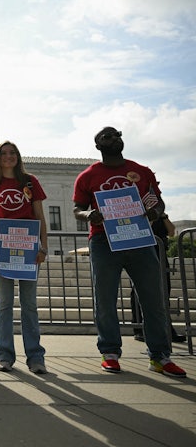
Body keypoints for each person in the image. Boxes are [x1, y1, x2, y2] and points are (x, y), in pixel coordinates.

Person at [73, 127, 186, 377]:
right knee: (105, 299)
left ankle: (160, 356)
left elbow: (155, 200)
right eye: (108, 136)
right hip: (104, 241)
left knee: (154, 300)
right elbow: (77, 209)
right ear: (98, 145)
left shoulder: (141, 171)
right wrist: (88, 214)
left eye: (118, 135)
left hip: (139, 238)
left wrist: (155, 212)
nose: (115, 139)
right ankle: (110, 353)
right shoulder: (87, 176)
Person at [0, 141, 48, 374]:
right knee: (4, 304)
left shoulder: (30, 182)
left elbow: (39, 215)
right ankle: (4, 355)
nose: (9, 157)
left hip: (28, 244)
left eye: (13, 153)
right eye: (4, 153)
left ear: (18, 157)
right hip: (2, 244)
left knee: (29, 304)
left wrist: (43, 247)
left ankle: (35, 357)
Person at [131, 213, 186, 343]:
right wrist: (150, 216)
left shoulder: (160, 216)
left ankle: (167, 330)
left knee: (164, 293)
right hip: (142, 255)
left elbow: (172, 232)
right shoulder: (140, 213)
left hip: (160, 254)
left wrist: (163, 216)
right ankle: (139, 329)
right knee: (139, 293)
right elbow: (145, 229)